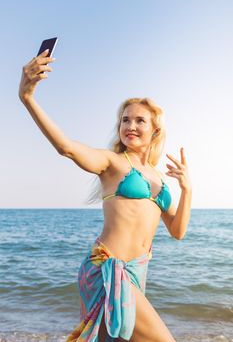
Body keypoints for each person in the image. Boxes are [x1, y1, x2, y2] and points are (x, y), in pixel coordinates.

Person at [19, 50, 192, 342]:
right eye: (125, 120)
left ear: (155, 130)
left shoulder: (160, 178)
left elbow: (177, 231)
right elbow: (67, 148)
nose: (131, 126)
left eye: (140, 121)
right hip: (107, 268)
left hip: (137, 274)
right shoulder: (112, 163)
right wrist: (28, 98)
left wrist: (187, 189)